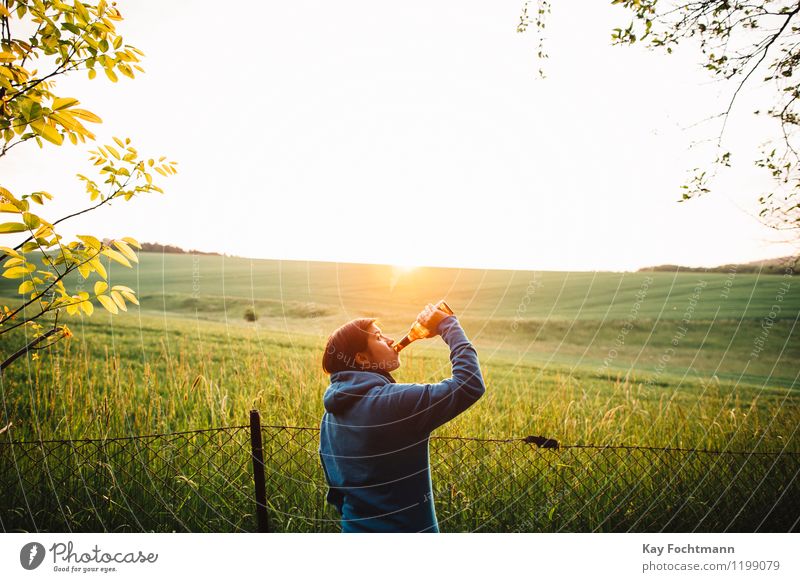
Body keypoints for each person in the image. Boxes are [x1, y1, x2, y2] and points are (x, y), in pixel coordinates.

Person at [318, 303, 486, 533]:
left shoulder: (329, 418)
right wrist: (449, 325)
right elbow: (469, 385)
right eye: (378, 337)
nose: (389, 340)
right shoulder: (393, 403)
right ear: (362, 359)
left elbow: (336, 493)